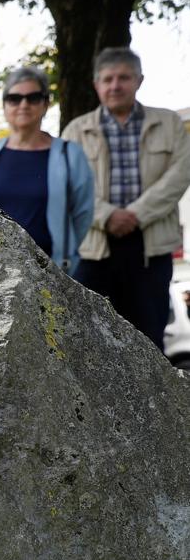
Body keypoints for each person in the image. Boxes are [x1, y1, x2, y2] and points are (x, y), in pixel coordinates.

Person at [62, 47, 190, 351]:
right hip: (94, 249)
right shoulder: (75, 132)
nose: (115, 86)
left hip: (150, 249)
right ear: (96, 85)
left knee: (148, 342)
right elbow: (67, 185)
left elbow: (181, 173)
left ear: (139, 80)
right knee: (86, 341)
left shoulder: (170, 124)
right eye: (107, 79)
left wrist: (135, 214)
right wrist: (107, 215)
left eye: (123, 78)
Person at [0, 67, 94, 272]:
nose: (24, 104)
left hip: (49, 274)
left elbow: (82, 215)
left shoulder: (70, 155)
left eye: (33, 98)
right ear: (4, 106)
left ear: (46, 104)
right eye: (14, 98)